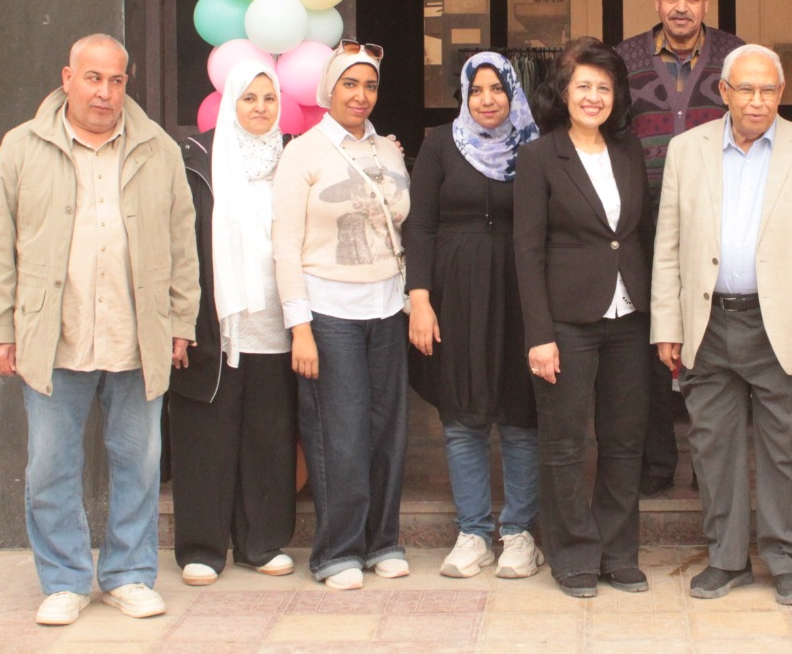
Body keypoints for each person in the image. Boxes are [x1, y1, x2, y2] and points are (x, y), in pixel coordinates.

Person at [0, 34, 199, 627]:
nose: (105, 92)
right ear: (68, 78)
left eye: (116, 81)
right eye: (93, 78)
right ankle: (65, 580)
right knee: (49, 466)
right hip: (54, 336)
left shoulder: (157, 149)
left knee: (139, 464)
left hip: (136, 335)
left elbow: (182, 242)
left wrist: (181, 321)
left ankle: (129, 575)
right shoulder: (23, 146)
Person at [650, 43, 792, 607]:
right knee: (713, 448)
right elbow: (668, 244)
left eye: (768, 89)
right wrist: (667, 323)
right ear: (724, 92)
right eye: (746, 89)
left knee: (791, 450)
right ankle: (727, 559)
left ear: (781, 93)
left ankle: (788, 559)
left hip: (783, 322)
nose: (757, 100)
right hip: (708, 321)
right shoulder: (687, 149)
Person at [514, 37, 653, 599]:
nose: (593, 96)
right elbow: (527, 252)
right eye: (583, 86)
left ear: (615, 95)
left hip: (629, 316)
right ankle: (572, 553)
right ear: (563, 93)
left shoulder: (628, 151)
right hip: (567, 321)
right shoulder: (539, 157)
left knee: (624, 440)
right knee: (565, 442)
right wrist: (539, 335)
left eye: (603, 87)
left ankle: (618, 553)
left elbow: (638, 235)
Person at [273, 41, 412, 591]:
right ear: (329, 90)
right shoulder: (302, 153)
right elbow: (285, 246)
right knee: (340, 434)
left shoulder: (390, 150)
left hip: (388, 307)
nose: (361, 95)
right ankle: (337, 551)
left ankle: (383, 542)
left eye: (370, 85)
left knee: (386, 433)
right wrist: (300, 327)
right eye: (350, 84)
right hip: (328, 312)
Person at [405, 51, 544, 580]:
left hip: (519, 289)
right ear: (463, 95)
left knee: (520, 412)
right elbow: (420, 226)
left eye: (497, 88)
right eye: (476, 89)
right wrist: (420, 299)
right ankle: (473, 533)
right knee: (462, 412)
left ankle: (520, 533)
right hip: (455, 292)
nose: (487, 99)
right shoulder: (440, 144)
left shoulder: (534, 146)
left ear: (513, 92)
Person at [616, 0, 745, 495]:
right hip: (642, 222)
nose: (681, 8)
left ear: (706, 2)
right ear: (656, 0)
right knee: (652, 340)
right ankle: (656, 462)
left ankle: (708, 465)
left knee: (711, 341)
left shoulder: (735, 57)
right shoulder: (624, 59)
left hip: (717, 220)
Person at [169, 60, 296, 587]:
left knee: (268, 436)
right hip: (214, 323)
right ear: (230, 103)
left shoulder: (294, 156)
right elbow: (177, 242)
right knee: (205, 435)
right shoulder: (197, 158)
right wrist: (178, 318)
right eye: (249, 98)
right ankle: (202, 548)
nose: (261, 108)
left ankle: (260, 542)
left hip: (278, 321)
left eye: (269, 98)